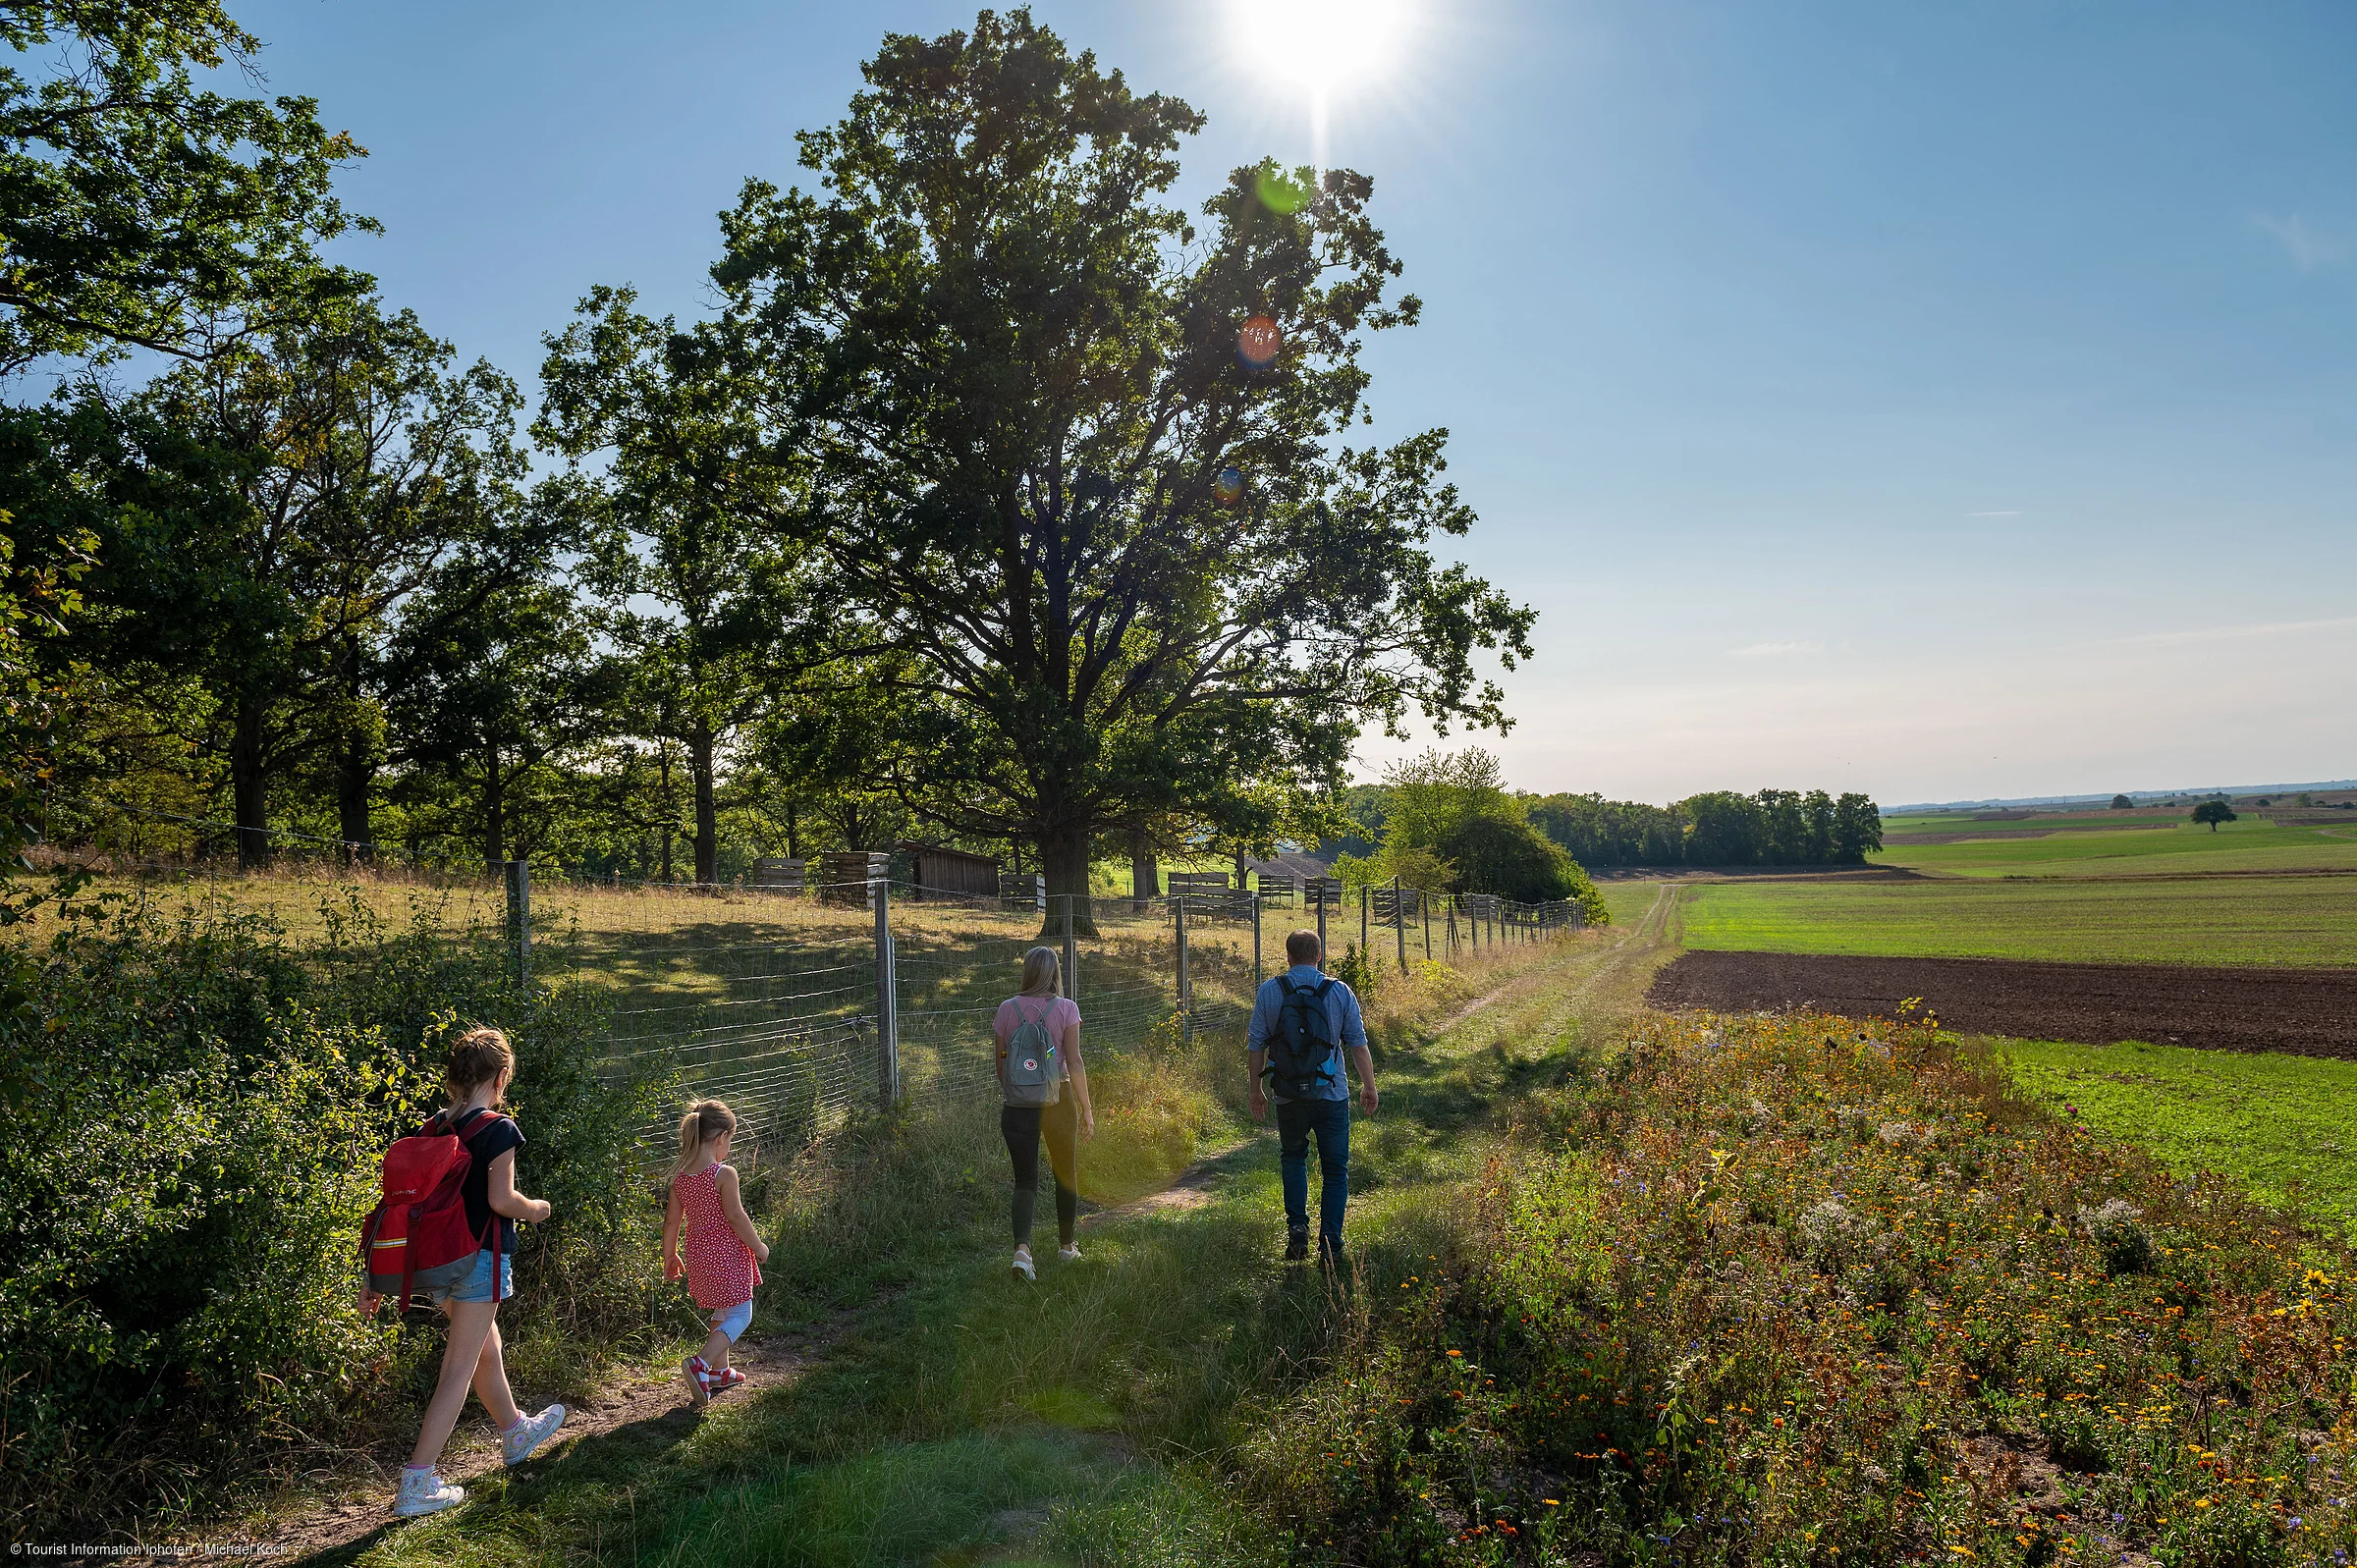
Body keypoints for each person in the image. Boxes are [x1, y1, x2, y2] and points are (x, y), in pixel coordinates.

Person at [362, 1026, 566, 1520]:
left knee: (483, 1352)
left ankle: (515, 1432)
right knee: (458, 1369)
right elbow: (502, 1201)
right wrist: (535, 1208)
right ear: (500, 1077)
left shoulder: (435, 1127)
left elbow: (396, 1205)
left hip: (438, 1263)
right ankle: (417, 1481)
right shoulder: (498, 1129)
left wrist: (374, 1276)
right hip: (480, 1259)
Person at [1247, 929, 1378, 1265]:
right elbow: (1358, 1044)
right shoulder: (1340, 992)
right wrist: (1369, 1086)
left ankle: (1297, 1232)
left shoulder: (1270, 991)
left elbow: (1256, 1045)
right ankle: (1331, 1245)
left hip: (1288, 1094)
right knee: (1335, 1170)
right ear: (1319, 955)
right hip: (1332, 1094)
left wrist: (1256, 1090)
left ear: (1288, 956)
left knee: (1293, 1158)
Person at [992, 946, 1096, 1281]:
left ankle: (1022, 1252)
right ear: (1054, 974)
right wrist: (1086, 1109)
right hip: (1058, 1100)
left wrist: (1018, 1093)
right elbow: (1075, 1061)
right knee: (1065, 1173)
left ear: (1027, 972)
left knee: (1025, 1181)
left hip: (1017, 1105)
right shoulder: (1066, 1009)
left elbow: (1001, 1064)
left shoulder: (1007, 1009)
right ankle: (1067, 1247)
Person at [662, 1098, 771, 1408]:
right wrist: (759, 1246)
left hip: (698, 1257)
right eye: (731, 1140)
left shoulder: (681, 1178)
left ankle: (720, 1372)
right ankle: (702, 1363)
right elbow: (736, 1217)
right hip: (726, 1256)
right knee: (740, 1313)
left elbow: (672, 1221)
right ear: (722, 1137)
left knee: (722, 1312)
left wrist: (669, 1256)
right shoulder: (724, 1174)